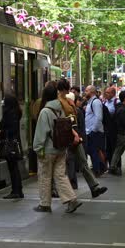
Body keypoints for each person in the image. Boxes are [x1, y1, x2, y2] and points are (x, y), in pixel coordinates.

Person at [33, 85, 82, 213]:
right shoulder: (61, 108)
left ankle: (45, 204)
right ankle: (71, 200)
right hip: (61, 148)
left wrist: (38, 148)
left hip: (48, 149)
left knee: (45, 175)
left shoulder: (45, 111)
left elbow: (41, 132)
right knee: (60, 175)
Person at [59, 80, 107, 197]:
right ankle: (70, 190)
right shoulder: (60, 103)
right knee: (67, 164)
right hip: (69, 137)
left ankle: (94, 187)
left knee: (82, 162)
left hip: (76, 137)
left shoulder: (70, 103)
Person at [0, 94, 24, 199]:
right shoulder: (15, 112)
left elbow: (12, 130)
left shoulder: (11, 114)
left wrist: (1, 132)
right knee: (14, 168)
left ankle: (16, 191)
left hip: (10, 144)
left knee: (13, 168)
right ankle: (17, 190)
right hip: (13, 143)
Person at [85, 85, 105, 177]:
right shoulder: (90, 102)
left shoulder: (96, 102)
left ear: (92, 92)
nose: (85, 92)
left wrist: (93, 130)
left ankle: (98, 169)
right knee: (92, 151)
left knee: (94, 151)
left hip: (95, 132)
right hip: (90, 131)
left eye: (86, 91)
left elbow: (99, 117)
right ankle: (99, 167)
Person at [104, 87, 118, 169]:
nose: (106, 94)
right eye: (106, 92)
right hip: (107, 128)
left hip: (114, 129)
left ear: (113, 94)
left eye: (108, 93)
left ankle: (116, 166)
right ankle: (110, 165)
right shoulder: (105, 102)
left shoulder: (116, 102)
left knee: (115, 148)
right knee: (108, 148)